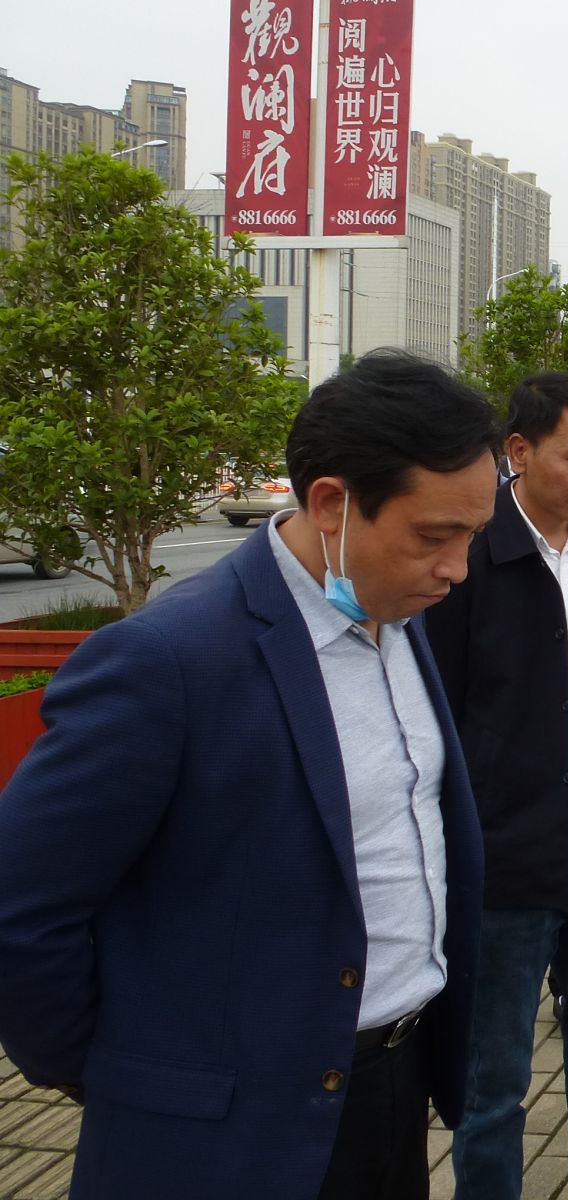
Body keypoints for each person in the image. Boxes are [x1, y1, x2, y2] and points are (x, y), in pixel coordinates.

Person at [0, 350, 500, 1199]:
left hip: (394, 1084)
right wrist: (118, 1070)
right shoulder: (169, 659)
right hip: (226, 1131)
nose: (455, 567)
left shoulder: (399, 619)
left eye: (471, 537)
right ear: (332, 503)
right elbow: (23, 902)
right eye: (433, 536)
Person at [423, 371, 568, 1200]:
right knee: (494, 1067)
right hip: (510, 845)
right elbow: (439, 709)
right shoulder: (471, 556)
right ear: (518, 452)